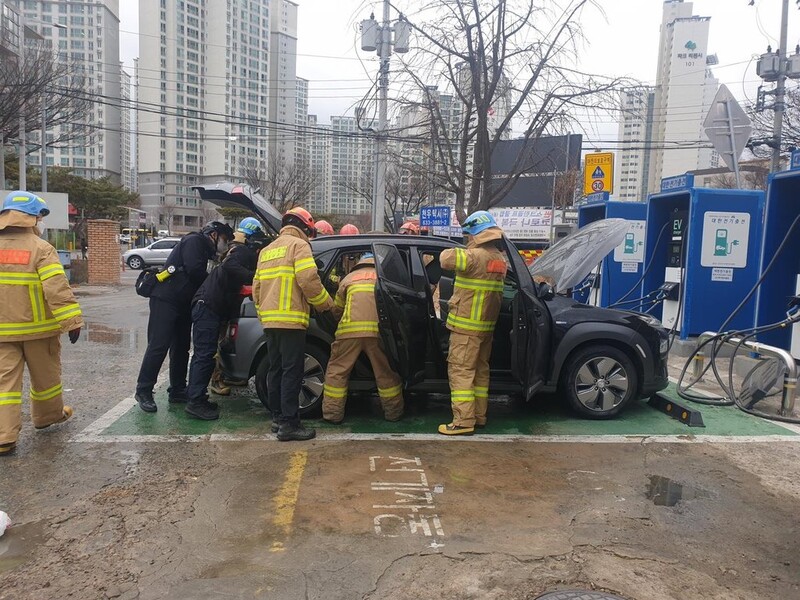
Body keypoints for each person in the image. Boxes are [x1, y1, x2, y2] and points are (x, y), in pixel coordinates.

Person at [0, 191, 83, 456]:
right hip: (38, 330)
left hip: (2, 332)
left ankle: (4, 436)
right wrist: (72, 321)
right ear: (32, 218)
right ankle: (47, 417)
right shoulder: (41, 249)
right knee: (46, 379)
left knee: (5, 386)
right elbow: (57, 289)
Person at [253, 207, 335, 441]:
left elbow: (257, 289)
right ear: (304, 227)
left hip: (270, 322)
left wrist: (264, 315)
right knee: (292, 371)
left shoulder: (267, 250)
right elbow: (308, 280)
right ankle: (290, 424)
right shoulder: (299, 247)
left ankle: (278, 418)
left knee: (276, 369)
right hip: (291, 320)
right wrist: (325, 305)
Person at [134, 221, 234, 413]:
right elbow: (194, 270)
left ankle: (178, 389)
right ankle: (144, 390)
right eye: (225, 239)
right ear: (214, 235)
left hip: (183, 303)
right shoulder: (194, 241)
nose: (225, 244)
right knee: (159, 345)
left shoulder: (207, 252)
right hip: (165, 299)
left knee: (181, 348)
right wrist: (215, 281)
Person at [185, 217, 267, 420]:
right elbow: (231, 267)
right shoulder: (240, 252)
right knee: (204, 355)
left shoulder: (236, 250)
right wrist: (256, 276)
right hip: (207, 307)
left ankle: (197, 398)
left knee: (205, 354)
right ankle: (195, 402)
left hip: (210, 307)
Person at [438, 211, 507, 436]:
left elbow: (445, 258)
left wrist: (466, 247)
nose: (467, 238)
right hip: (485, 328)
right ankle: (479, 416)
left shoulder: (474, 256)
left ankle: (463, 421)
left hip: (466, 328)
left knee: (461, 372)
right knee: (480, 373)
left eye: (468, 234)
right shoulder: (499, 259)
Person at [322, 253, 403, 424]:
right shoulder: (382, 278)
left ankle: (332, 414)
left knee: (337, 372)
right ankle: (393, 413)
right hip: (377, 333)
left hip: (349, 333)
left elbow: (337, 310)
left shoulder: (348, 279)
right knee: (385, 372)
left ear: (359, 263)